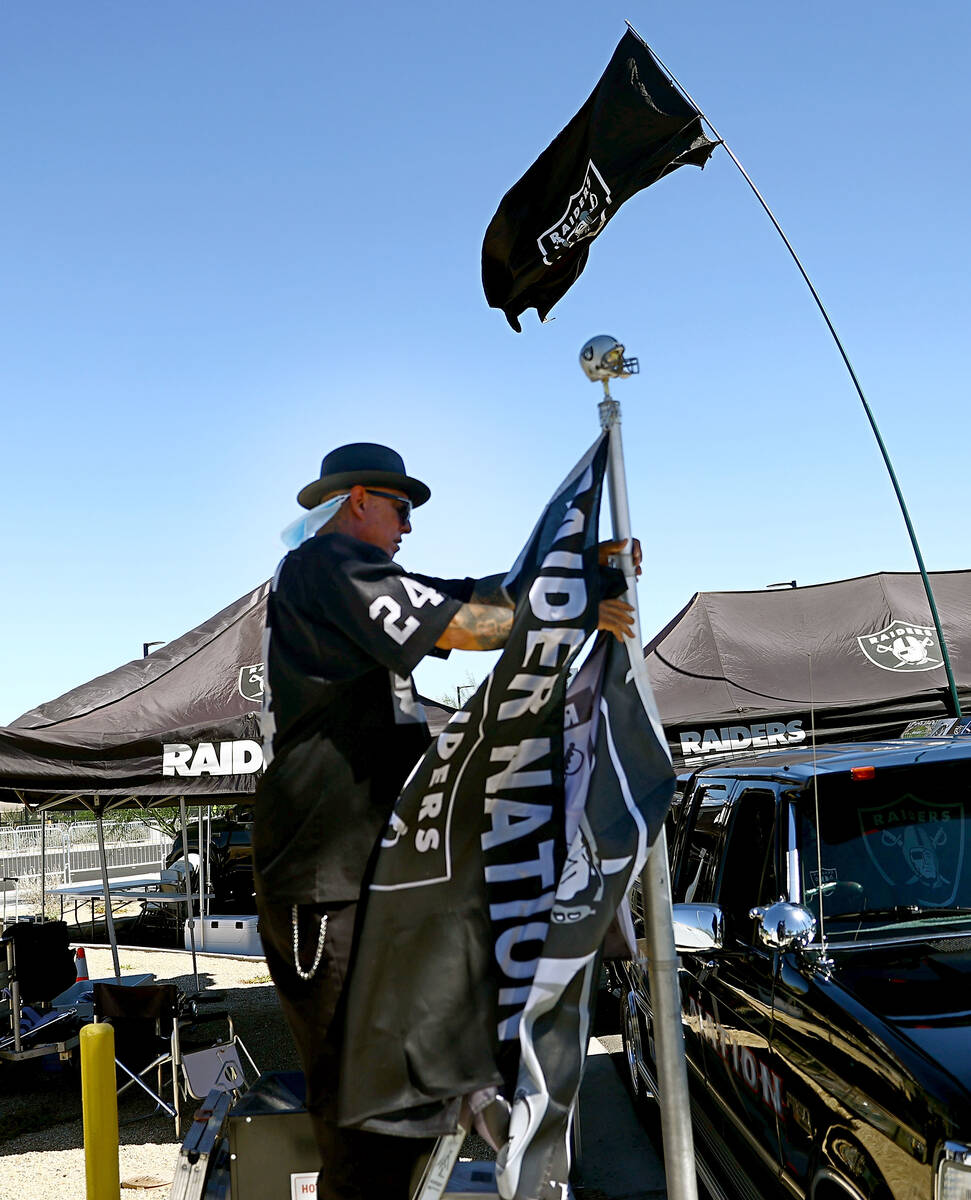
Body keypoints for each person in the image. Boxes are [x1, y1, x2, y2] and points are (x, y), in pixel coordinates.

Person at [253, 442, 637, 1200]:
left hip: (369, 878)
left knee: (401, 1101)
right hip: (324, 884)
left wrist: (589, 571)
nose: (407, 528)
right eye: (400, 509)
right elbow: (465, 625)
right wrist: (575, 601)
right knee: (364, 1115)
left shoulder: (346, 579)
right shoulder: (325, 564)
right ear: (356, 500)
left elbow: (478, 595)